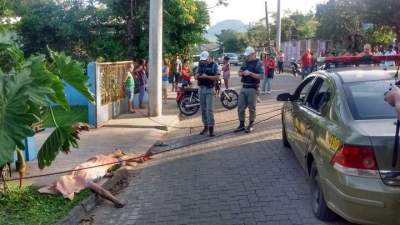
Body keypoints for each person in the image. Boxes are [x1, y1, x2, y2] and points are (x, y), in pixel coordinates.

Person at [39, 149, 148, 208]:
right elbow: (100, 188)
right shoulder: (74, 173)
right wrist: (105, 175)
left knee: (120, 159)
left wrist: (116, 201)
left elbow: (101, 191)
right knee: (114, 158)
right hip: (94, 161)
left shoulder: (84, 180)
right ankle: (122, 153)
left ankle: (132, 155)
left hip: (99, 164)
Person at [235, 47, 263, 133]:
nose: (247, 57)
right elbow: (239, 72)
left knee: (252, 108)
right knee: (240, 107)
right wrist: (242, 73)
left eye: (248, 55)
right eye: (246, 56)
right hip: (244, 87)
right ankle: (241, 124)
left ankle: (251, 125)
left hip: (253, 88)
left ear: (253, 54)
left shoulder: (259, 63)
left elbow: (261, 76)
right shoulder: (245, 62)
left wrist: (250, 73)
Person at [195, 51, 220, 137]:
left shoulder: (214, 65)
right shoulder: (200, 65)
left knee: (209, 110)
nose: (203, 61)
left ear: (209, 57)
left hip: (210, 89)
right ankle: (205, 126)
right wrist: (200, 76)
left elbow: (217, 77)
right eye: (202, 60)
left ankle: (211, 129)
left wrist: (207, 77)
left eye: (205, 60)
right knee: (203, 109)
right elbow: (196, 76)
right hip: (201, 89)